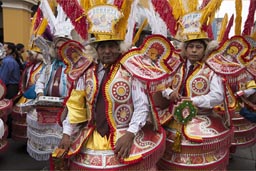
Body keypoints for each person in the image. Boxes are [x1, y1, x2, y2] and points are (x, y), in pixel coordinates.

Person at [54, 3, 165, 170]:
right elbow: (76, 106)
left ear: (119, 47)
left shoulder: (130, 70)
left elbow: (141, 106)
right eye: (102, 47)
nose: (107, 51)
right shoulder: (86, 72)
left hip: (124, 134)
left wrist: (129, 134)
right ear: (96, 50)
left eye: (112, 46)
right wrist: (67, 133)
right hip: (91, 137)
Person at [153, 6, 234, 170]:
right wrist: (170, 93)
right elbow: (161, 84)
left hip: (201, 118)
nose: (194, 50)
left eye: (198, 47)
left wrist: (194, 100)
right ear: (185, 49)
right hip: (173, 116)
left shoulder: (211, 69)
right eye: (191, 47)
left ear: (205, 49)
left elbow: (217, 96)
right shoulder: (176, 65)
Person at [26, 36, 71, 161]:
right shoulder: (49, 66)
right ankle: (52, 165)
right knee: (49, 144)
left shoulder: (74, 67)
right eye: (56, 48)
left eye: (62, 47)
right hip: (47, 107)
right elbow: (40, 82)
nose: (59, 50)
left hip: (67, 110)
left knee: (63, 142)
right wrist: (40, 94)